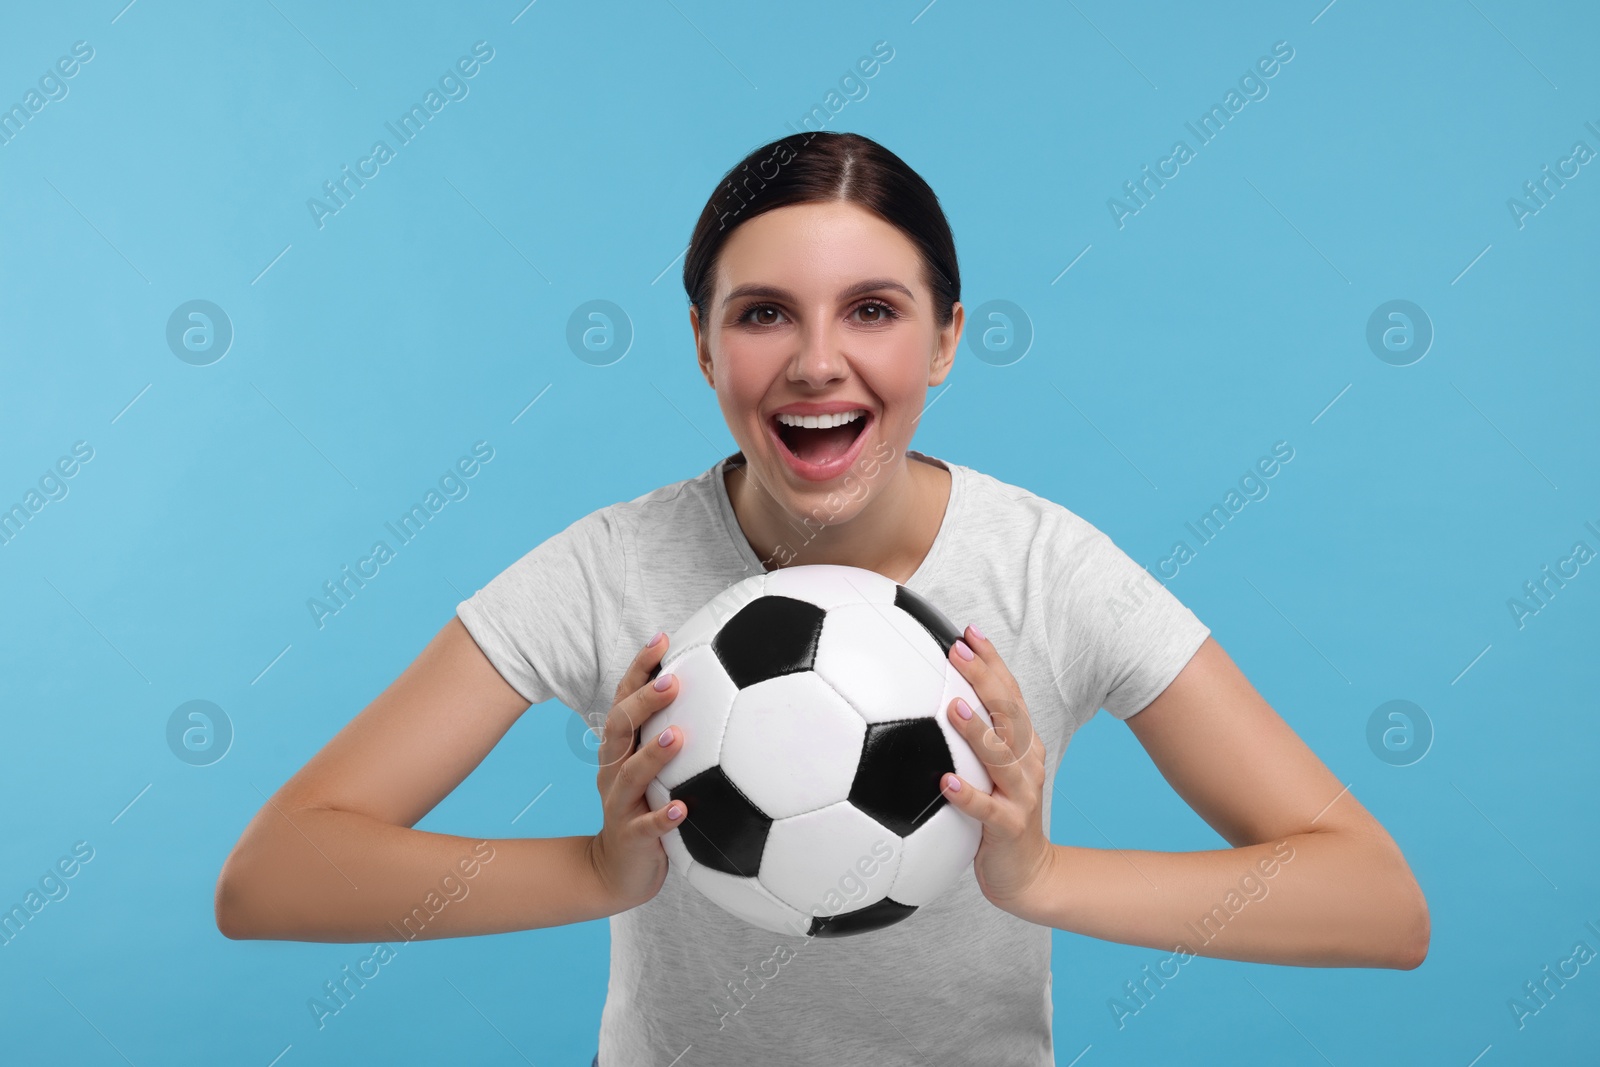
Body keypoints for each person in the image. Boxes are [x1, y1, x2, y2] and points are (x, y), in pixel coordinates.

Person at [215, 131, 1429, 1065]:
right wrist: (593, 872)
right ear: (702, 344)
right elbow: (272, 875)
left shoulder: (1045, 571)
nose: (814, 361)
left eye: (872, 310)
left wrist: (1042, 874)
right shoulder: (610, 567)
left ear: (946, 340)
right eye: (761, 314)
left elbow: (1377, 902)